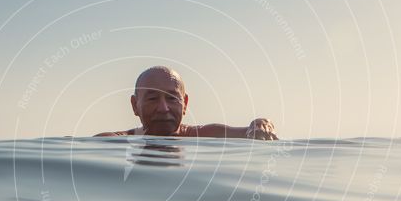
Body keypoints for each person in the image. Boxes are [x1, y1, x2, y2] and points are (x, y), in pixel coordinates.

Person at [94, 66, 278, 140]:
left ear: (185, 103)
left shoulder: (204, 135)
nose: (163, 108)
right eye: (152, 98)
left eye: (172, 98)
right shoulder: (119, 140)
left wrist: (261, 124)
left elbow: (249, 133)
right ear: (135, 105)